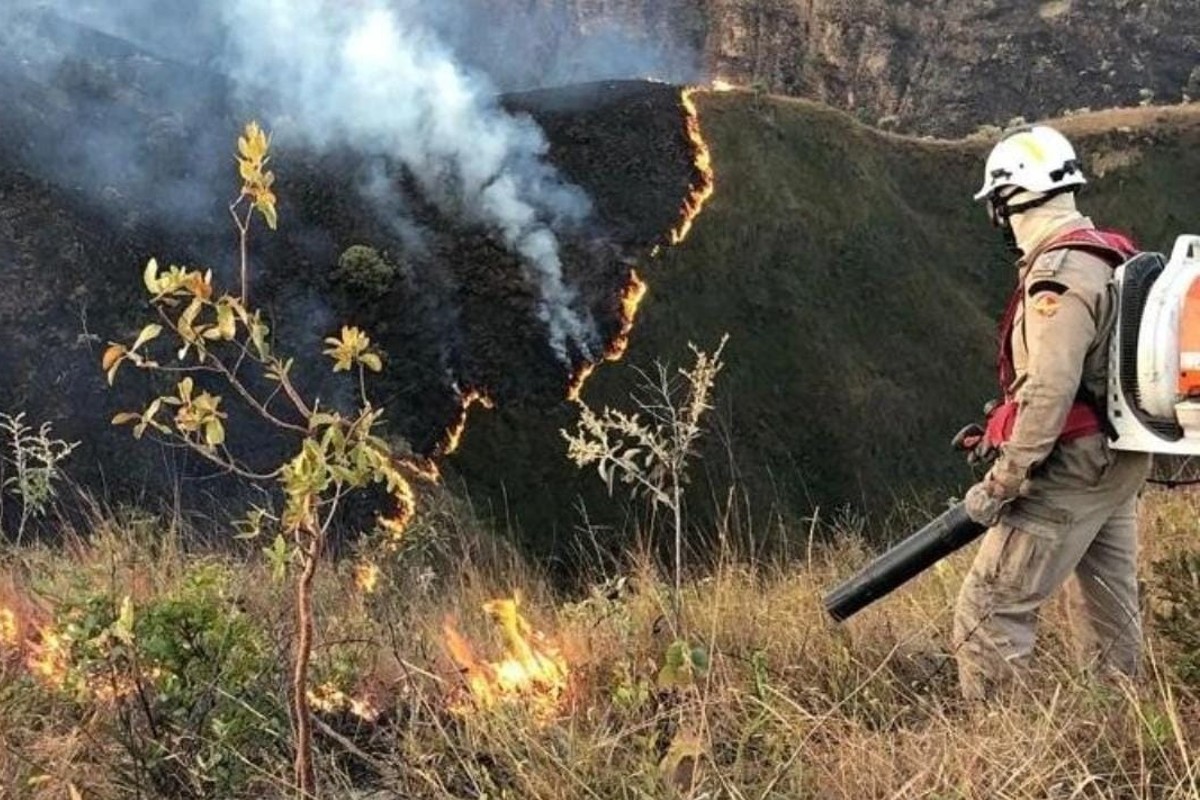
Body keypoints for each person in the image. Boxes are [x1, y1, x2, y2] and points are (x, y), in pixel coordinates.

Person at [952, 125, 1152, 701]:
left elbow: (1049, 389)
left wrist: (1005, 478)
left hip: (1072, 466)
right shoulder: (1113, 255)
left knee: (989, 607)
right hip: (1120, 461)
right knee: (1109, 607)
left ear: (1009, 202)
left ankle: (1002, 753)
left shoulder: (1057, 278)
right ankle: (1120, 726)